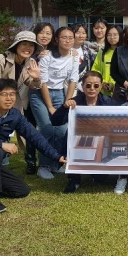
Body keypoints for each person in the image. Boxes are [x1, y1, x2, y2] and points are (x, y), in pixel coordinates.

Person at [0, 78, 66, 214]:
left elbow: (36, 137)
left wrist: (57, 157)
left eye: (12, 94)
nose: (9, 98)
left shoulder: (15, 115)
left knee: (21, 190)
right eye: (4, 94)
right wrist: (1, 144)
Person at [49, 71, 115, 194]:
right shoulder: (74, 102)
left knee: (102, 179)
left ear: (101, 86)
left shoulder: (108, 102)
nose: (92, 88)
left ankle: (96, 173)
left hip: (102, 140)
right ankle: (74, 179)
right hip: (78, 139)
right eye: (88, 85)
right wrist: (64, 108)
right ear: (82, 86)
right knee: (70, 138)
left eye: (96, 85)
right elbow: (55, 121)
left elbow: (120, 121)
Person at [30, 26, 79, 180]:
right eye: (64, 37)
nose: (67, 40)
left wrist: (67, 102)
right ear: (57, 40)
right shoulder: (47, 56)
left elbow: (73, 80)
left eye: (70, 37)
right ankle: (43, 166)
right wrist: (50, 106)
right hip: (40, 94)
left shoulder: (74, 56)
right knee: (46, 128)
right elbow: (43, 83)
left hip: (60, 94)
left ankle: (56, 164)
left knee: (62, 130)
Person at [24, 23, 54, 174]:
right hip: (32, 95)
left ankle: (49, 159)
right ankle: (30, 160)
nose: (45, 36)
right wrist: (36, 56)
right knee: (30, 127)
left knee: (47, 127)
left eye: (48, 33)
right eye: (42, 32)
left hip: (51, 94)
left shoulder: (54, 51)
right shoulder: (31, 51)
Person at [91, 24, 123, 98]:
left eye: (115, 35)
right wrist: (102, 84)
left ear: (120, 36)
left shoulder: (125, 53)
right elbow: (95, 70)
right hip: (103, 92)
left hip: (120, 92)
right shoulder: (102, 52)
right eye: (109, 35)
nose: (112, 37)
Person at [71, 23, 96, 92]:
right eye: (78, 33)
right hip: (67, 86)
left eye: (83, 33)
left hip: (84, 88)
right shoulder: (65, 50)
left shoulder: (89, 52)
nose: (81, 36)